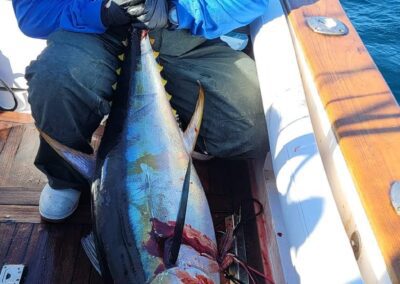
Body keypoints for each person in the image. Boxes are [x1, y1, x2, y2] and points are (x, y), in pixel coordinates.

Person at [13, 0, 269, 222]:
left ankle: (191, 133)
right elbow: (33, 12)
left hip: (181, 31)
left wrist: (175, 11)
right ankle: (64, 176)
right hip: (94, 28)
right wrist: (98, 11)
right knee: (55, 79)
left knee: (254, 124)